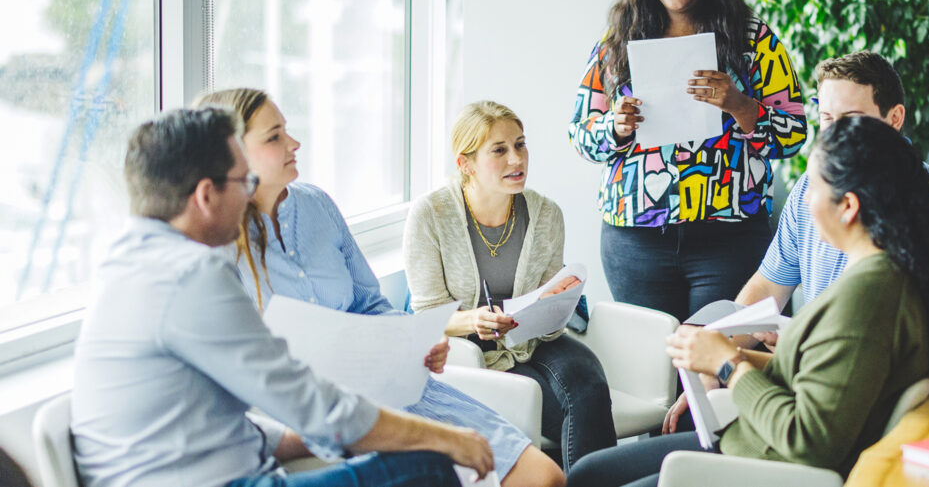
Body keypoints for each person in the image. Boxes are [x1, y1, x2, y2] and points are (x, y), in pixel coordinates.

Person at [71, 108, 491, 487]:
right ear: (205, 195)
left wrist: (313, 440)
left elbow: (210, 422)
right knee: (428, 466)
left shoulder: (130, 263)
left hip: (218, 469)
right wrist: (447, 438)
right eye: (244, 181)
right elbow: (307, 401)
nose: (249, 193)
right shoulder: (190, 275)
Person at [565, 115, 929, 487]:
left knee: (588, 479)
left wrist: (729, 364)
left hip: (766, 464)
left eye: (813, 186)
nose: (803, 200)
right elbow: (839, 382)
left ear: (848, 207)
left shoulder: (867, 298)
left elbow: (809, 439)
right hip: (756, 443)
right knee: (587, 473)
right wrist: (723, 355)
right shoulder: (896, 276)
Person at [196, 90, 565, 487]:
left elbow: (368, 302)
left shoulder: (317, 205)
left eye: (287, 130)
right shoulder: (215, 244)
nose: (294, 143)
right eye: (274, 137)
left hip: (389, 388)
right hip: (305, 411)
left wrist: (412, 340)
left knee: (545, 477)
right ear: (234, 153)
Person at [663, 51, 929, 433]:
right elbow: (768, 287)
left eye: (850, 120)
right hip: (807, 379)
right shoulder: (808, 193)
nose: (832, 136)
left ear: (894, 119)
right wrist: (713, 364)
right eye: (827, 119)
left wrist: (738, 363)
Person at [567, 0, 807, 324]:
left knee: (718, 363)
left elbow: (794, 134)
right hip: (635, 238)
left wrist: (740, 106)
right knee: (650, 367)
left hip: (729, 237)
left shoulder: (753, 40)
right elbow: (580, 134)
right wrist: (615, 127)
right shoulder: (618, 40)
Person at [403, 101, 617, 471]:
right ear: (465, 163)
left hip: (532, 337)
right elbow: (427, 312)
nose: (516, 159)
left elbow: (550, 296)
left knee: (589, 383)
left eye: (520, 145)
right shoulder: (430, 214)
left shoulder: (546, 213)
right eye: (499, 150)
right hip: (469, 347)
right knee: (535, 398)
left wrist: (557, 302)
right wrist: (476, 321)